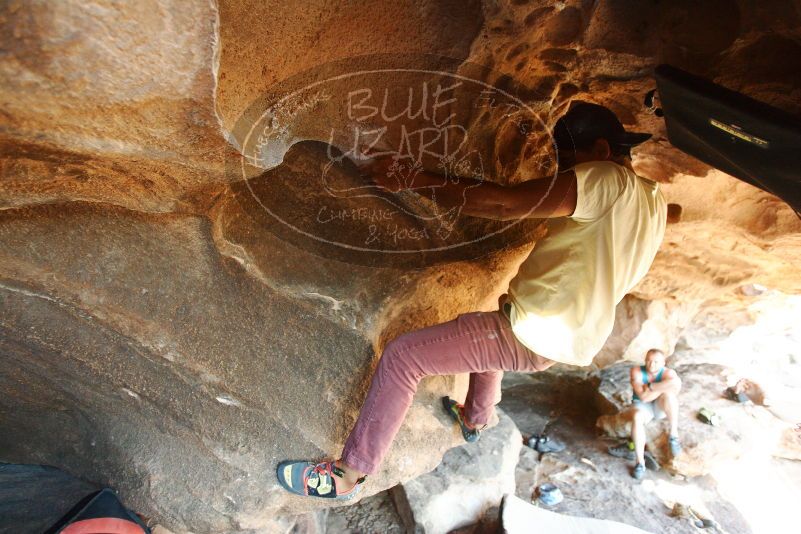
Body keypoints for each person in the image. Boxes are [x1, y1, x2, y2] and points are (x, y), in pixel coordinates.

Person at [276, 102, 667, 500]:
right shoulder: (653, 201)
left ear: (601, 151)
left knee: (405, 357)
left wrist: (411, 177)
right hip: (569, 333)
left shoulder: (606, 179)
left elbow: (503, 203)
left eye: (568, 163)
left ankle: (349, 473)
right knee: (483, 328)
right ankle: (476, 419)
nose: (564, 174)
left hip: (535, 331)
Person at [627, 349, 682, 480]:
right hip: (643, 406)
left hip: (659, 406)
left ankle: (673, 435)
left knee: (670, 397)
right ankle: (640, 462)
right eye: (648, 361)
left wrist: (651, 386)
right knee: (636, 417)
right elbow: (643, 397)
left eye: (656, 362)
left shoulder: (669, 373)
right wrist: (664, 387)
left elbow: (676, 384)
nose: (652, 365)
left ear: (663, 363)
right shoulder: (637, 371)